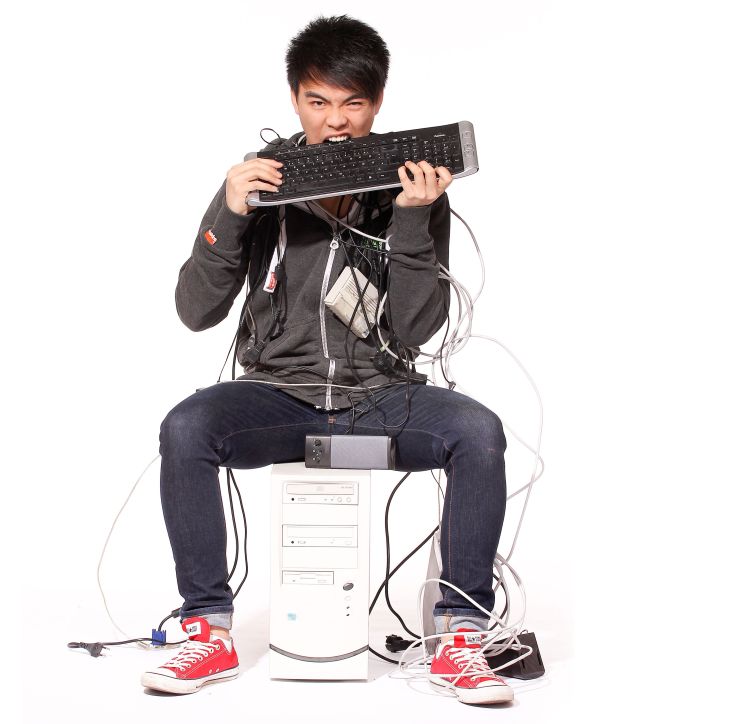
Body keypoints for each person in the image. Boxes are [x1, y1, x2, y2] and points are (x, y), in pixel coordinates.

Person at [140, 15, 512, 706]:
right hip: (278, 395)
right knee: (187, 426)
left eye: (353, 104)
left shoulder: (415, 188)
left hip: (380, 395)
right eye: (319, 102)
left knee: (478, 430)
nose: (336, 121)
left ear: (377, 103)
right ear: (294, 99)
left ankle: (461, 635)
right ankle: (206, 627)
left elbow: (418, 327)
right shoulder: (256, 185)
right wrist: (230, 213)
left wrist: (409, 217)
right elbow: (195, 311)